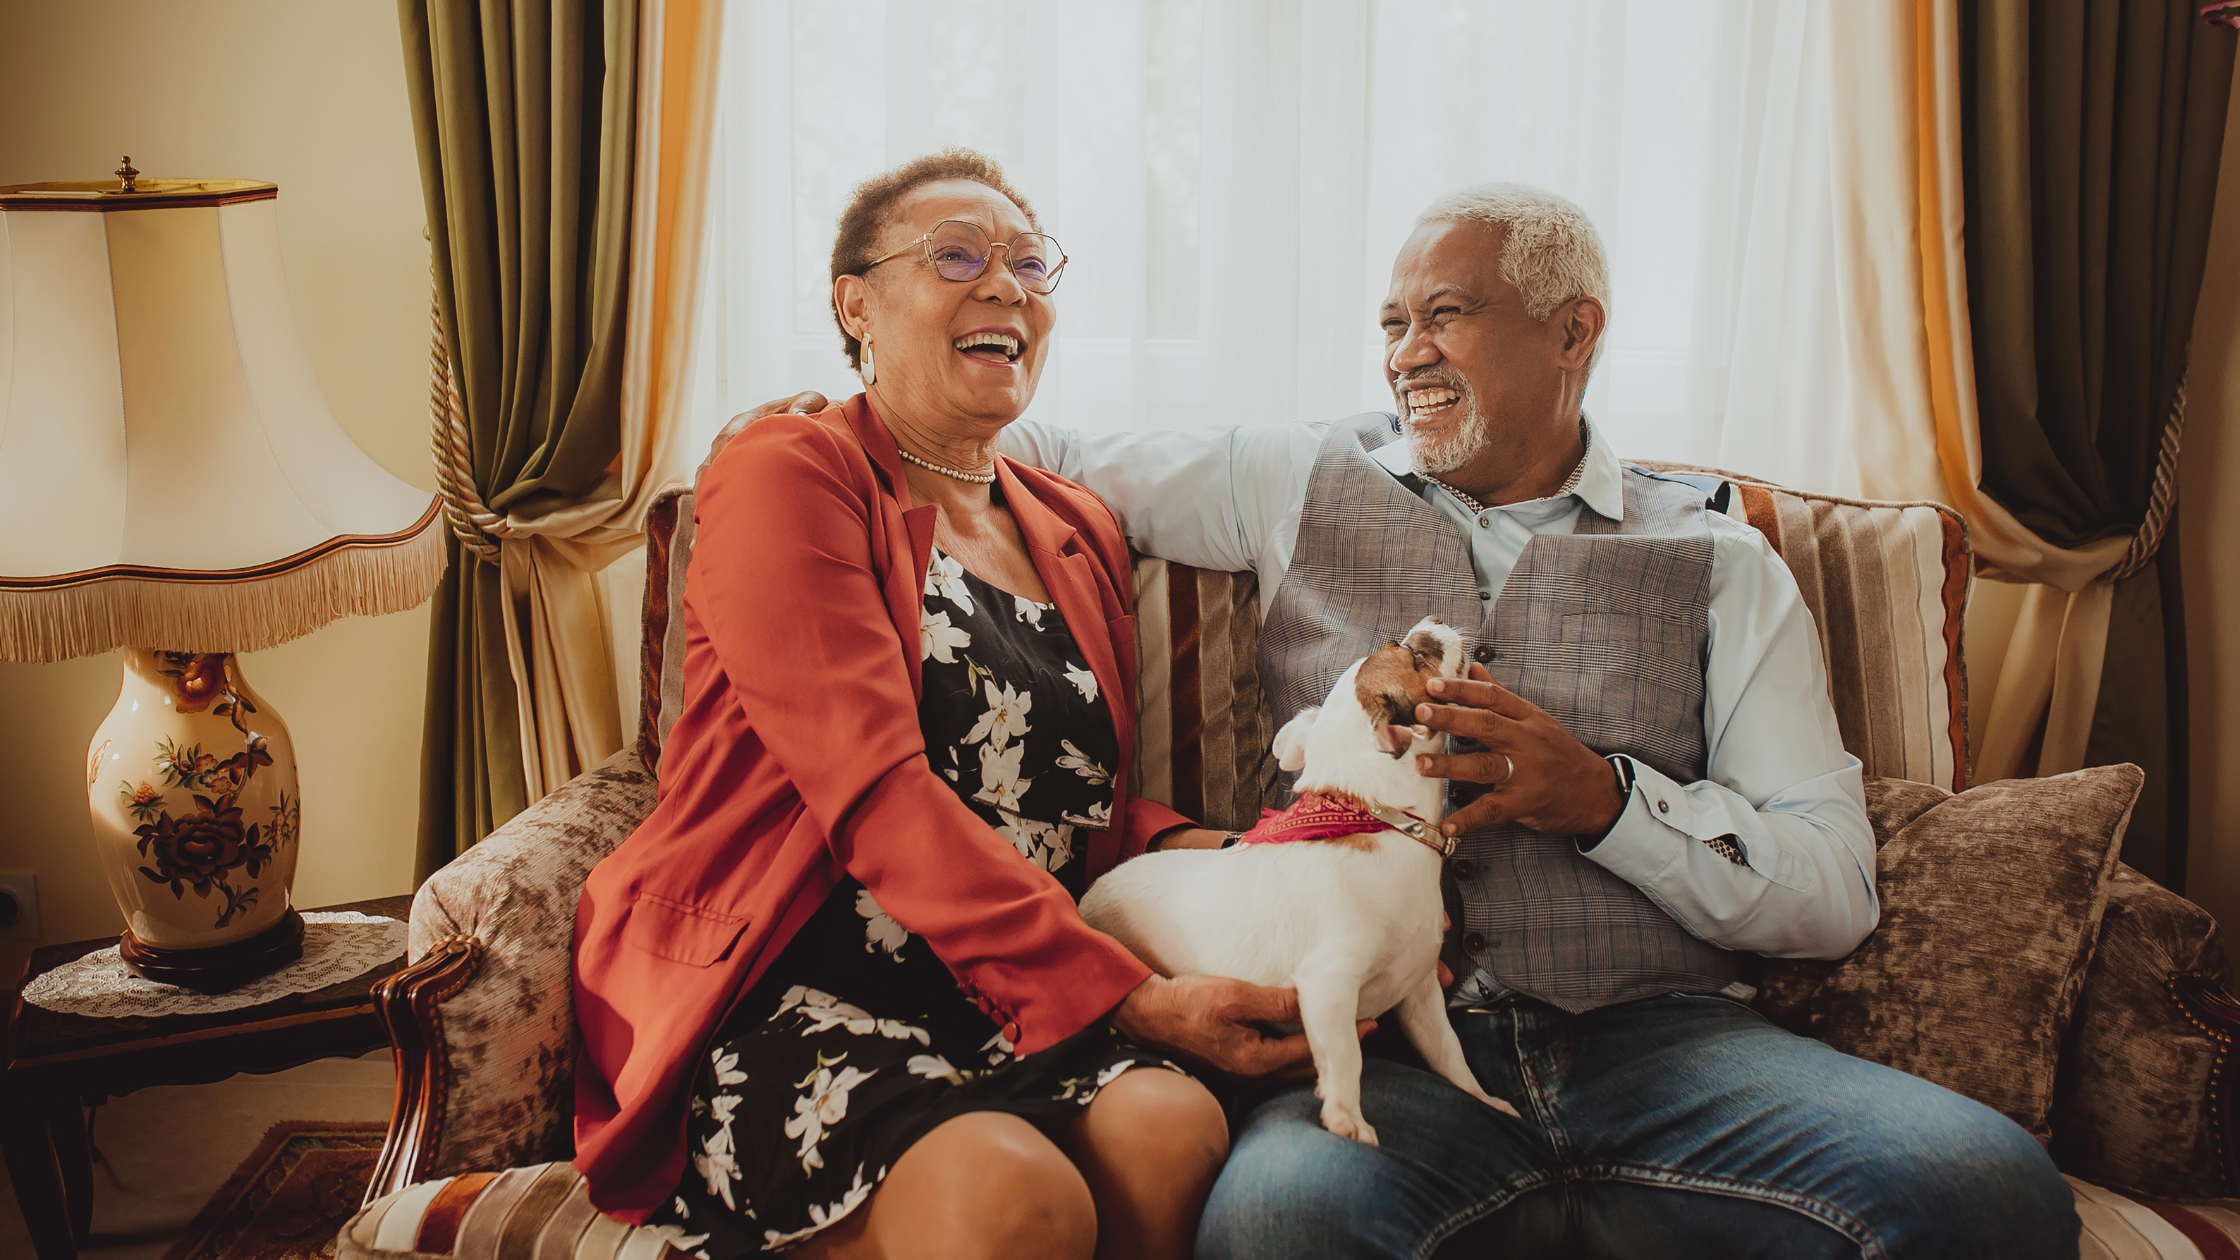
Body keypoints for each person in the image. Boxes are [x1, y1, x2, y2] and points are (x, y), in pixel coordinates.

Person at [750, 183, 2078, 1258]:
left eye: (1448, 314)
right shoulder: (1293, 475)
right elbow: (1042, 455)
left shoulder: (1723, 559)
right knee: (1273, 1227)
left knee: (1986, 1188)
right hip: (1379, 1046)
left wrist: (1605, 801)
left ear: (1575, 330)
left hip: (1667, 1040)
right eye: (1391, 322)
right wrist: (848, 421)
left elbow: (1834, 888)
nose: (1407, 354)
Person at [572, 149, 1318, 1260]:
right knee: (1011, 1196)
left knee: (1171, 1132)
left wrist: (1278, 851)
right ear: (855, 305)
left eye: (1027, 261)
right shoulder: (790, 470)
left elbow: (1074, 815)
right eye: (955, 255)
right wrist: (1128, 1000)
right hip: (784, 976)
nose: (1005, 283)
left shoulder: (1074, 524)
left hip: (995, 981)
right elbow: (872, 792)